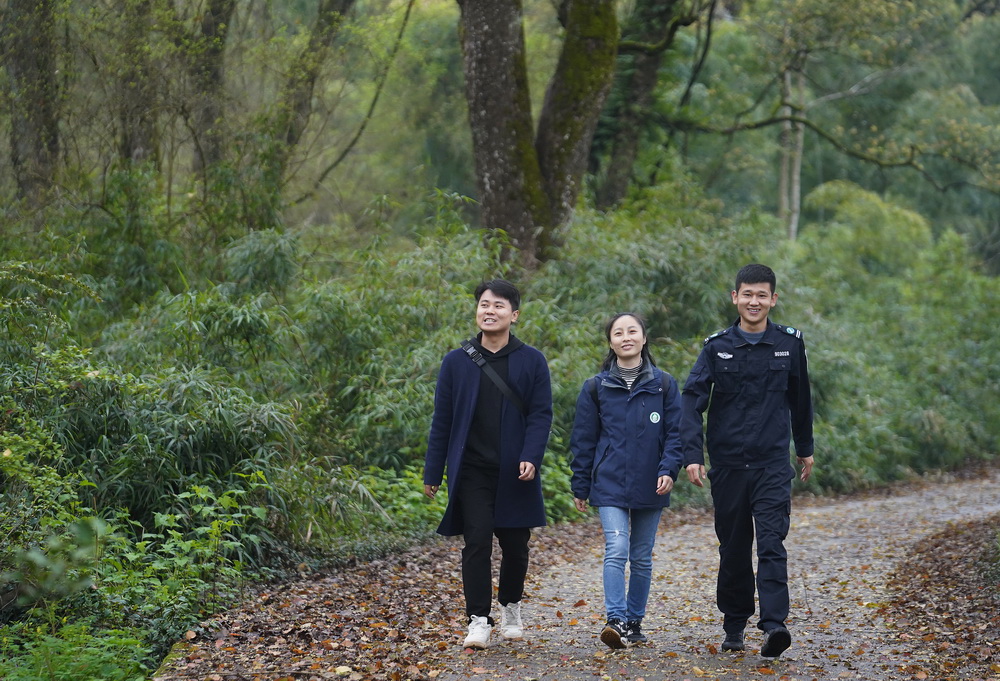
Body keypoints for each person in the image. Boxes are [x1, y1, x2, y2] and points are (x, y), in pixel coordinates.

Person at [680, 263, 814, 658]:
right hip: (729, 466)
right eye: (747, 294)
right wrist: (693, 455)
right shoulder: (716, 346)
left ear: (773, 299)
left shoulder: (790, 344)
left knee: (772, 543)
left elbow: (801, 399)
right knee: (734, 547)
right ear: (735, 297)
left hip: (772, 463)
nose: (754, 301)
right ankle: (734, 624)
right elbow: (692, 401)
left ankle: (775, 626)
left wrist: (804, 448)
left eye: (762, 295)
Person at [423, 279, 553, 650]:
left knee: (516, 546)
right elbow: (442, 420)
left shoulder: (532, 360)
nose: (489, 310)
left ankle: (511, 605)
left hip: (516, 469)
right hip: (471, 470)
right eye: (484, 304)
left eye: (498, 305)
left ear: (514, 314)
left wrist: (531, 455)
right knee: (476, 542)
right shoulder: (456, 361)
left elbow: (541, 414)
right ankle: (478, 618)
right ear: (476, 311)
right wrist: (434, 472)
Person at [570, 313, 683, 649]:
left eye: (632, 331)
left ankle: (634, 621)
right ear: (611, 342)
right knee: (616, 548)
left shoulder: (663, 384)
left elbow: (675, 434)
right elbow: (583, 439)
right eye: (618, 333)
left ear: (644, 338)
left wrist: (668, 469)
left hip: (652, 481)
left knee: (642, 555)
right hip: (609, 483)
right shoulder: (596, 387)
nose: (626, 337)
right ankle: (615, 619)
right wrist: (580, 484)